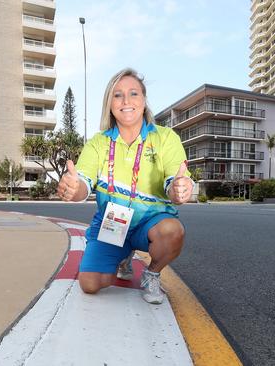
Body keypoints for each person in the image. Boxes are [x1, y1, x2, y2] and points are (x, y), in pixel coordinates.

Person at [57, 68, 194, 304]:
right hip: (114, 221)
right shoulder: (98, 142)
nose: (126, 101)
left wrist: (180, 189)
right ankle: (123, 256)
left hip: (152, 220)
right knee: (91, 284)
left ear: (144, 100)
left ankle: (152, 274)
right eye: (118, 95)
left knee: (173, 231)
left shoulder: (165, 137)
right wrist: (73, 187)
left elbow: (175, 181)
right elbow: (83, 184)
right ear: (109, 103)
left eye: (133, 93)